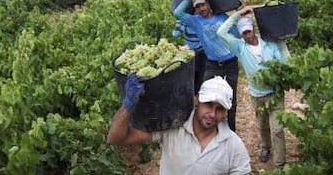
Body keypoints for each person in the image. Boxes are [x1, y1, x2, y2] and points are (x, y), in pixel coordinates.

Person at [107, 74, 251, 175]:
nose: (212, 114)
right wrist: (128, 106)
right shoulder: (172, 128)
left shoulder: (233, 146)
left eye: (220, 109)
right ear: (196, 100)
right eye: (208, 104)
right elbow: (115, 139)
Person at [216, 5, 288, 169]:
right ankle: (265, 146)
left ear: (253, 29)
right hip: (257, 95)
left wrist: (283, 44)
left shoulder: (269, 43)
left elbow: (285, 63)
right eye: (244, 33)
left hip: (275, 93)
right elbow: (221, 32)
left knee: (277, 129)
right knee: (262, 125)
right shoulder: (240, 47)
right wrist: (237, 15)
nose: (247, 36)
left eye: (248, 31)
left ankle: (280, 164)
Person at [173, 0, 241, 132]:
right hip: (212, 65)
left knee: (231, 100)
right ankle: (205, 129)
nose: (201, 8)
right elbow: (177, 13)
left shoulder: (222, 17)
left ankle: (231, 132)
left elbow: (237, 33)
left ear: (208, 3)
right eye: (198, 6)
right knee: (204, 97)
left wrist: (238, 13)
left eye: (203, 4)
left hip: (230, 64)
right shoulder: (195, 21)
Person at [172, 19, 206, 94]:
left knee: (199, 79)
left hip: (202, 53)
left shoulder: (203, 18)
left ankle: (197, 100)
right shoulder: (185, 19)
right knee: (192, 79)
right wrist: (180, 21)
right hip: (191, 53)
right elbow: (175, 34)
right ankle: (192, 99)